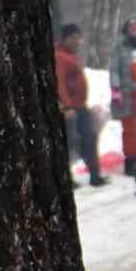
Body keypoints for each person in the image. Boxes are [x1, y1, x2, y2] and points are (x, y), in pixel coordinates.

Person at [54, 23, 109, 187]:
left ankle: (95, 175)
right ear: (65, 39)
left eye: (79, 38)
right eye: (73, 38)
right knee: (72, 142)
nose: (77, 41)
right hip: (71, 109)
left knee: (89, 138)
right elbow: (60, 83)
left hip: (80, 106)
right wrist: (66, 106)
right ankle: (68, 179)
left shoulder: (71, 56)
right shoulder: (60, 57)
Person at [108, 16, 136, 171]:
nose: (134, 29)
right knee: (129, 129)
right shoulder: (120, 46)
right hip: (127, 93)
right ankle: (130, 160)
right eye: (131, 26)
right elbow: (114, 69)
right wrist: (116, 89)